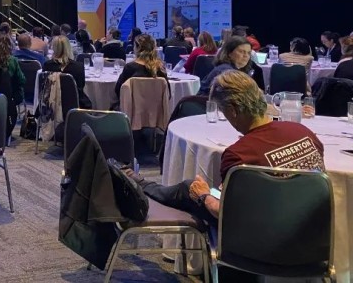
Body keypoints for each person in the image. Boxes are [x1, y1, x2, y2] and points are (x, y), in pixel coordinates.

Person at [126, 70, 324, 263]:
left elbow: (225, 212)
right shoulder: (303, 132)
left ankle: (141, 185)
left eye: (223, 110)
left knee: (190, 188)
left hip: (257, 245)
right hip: (312, 239)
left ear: (233, 110)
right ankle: (144, 185)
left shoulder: (239, 154)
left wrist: (204, 196)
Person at [198, 36, 264, 95]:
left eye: (248, 53)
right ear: (229, 53)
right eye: (241, 51)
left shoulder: (233, 69)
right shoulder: (226, 72)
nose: (246, 55)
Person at [113, 34, 168, 102]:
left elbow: (118, 91)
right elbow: (168, 94)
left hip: (132, 108)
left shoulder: (130, 67)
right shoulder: (160, 67)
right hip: (156, 108)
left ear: (137, 48)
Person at [43, 35, 91, 108]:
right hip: (74, 105)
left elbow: (44, 86)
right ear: (69, 48)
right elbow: (81, 86)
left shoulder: (47, 65)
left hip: (51, 105)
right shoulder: (78, 67)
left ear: (54, 48)